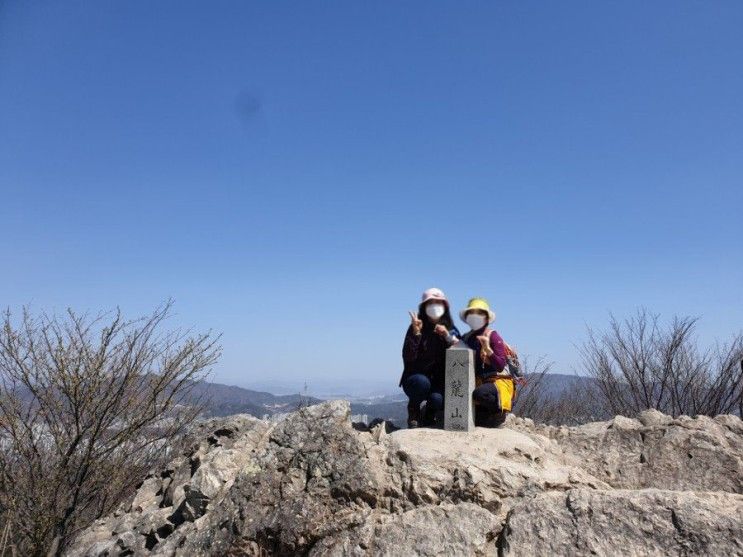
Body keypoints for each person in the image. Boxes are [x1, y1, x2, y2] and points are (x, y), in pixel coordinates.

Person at [400, 288, 461, 428]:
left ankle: (429, 413)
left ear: (445, 307)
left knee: (437, 399)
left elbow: (463, 351)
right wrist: (416, 334)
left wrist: (447, 336)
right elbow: (408, 357)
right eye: (431, 303)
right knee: (421, 383)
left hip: (439, 380)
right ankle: (414, 409)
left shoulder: (450, 329)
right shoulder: (416, 327)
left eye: (439, 303)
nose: (435, 306)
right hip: (416, 378)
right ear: (424, 307)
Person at [459, 297, 516, 428]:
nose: (475, 316)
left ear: (486, 317)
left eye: (479, 313)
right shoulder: (467, 337)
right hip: (478, 381)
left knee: (480, 394)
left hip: (496, 381)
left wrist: (489, 351)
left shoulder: (493, 336)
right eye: (472, 313)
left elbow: (500, 365)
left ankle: (497, 412)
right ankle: (485, 414)